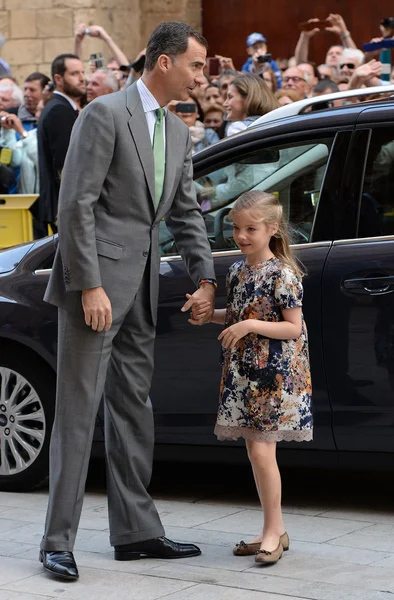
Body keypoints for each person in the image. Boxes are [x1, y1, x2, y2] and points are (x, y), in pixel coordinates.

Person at [39, 21, 216, 581]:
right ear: (164, 63)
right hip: (97, 289)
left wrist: (205, 278)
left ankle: (137, 533)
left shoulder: (180, 131)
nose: (202, 74)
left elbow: (185, 212)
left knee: (133, 409)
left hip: (144, 288)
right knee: (76, 411)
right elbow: (76, 206)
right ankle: (56, 542)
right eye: (196, 64)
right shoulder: (104, 113)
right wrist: (88, 283)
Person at [195, 191, 312, 564]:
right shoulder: (237, 270)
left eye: (251, 228)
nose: (241, 236)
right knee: (255, 451)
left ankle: (274, 532)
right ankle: (272, 530)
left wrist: (247, 324)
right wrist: (207, 316)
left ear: (272, 229)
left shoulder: (283, 273)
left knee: (262, 451)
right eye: (236, 228)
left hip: (274, 376)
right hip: (245, 372)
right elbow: (237, 315)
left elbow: (293, 328)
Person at [35, 53, 86, 239]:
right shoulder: (59, 110)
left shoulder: (62, 107)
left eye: (82, 72)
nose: (82, 78)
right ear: (58, 78)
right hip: (66, 209)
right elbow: (66, 167)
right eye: (74, 73)